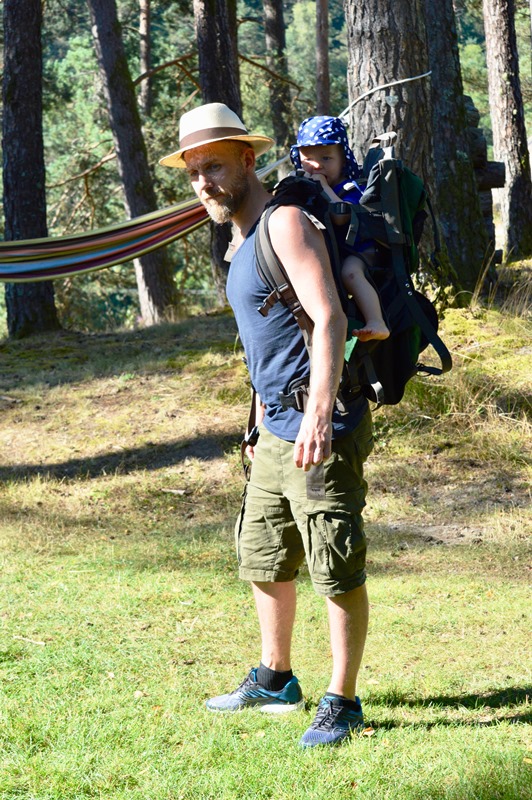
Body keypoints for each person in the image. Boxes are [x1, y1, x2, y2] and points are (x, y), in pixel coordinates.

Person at [160, 102, 373, 748]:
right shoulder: (239, 239)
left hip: (321, 423)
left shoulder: (283, 224)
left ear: (249, 161)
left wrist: (316, 414)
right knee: (262, 554)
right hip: (275, 428)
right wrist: (256, 423)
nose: (205, 183)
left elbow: (330, 318)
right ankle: (277, 678)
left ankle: (344, 700)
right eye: (194, 173)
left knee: (335, 564)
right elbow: (265, 342)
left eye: (215, 167)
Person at [290, 115, 390, 342]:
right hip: (335, 250)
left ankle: (377, 321)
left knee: (349, 273)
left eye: (326, 158)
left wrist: (323, 188)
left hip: (363, 250)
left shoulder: (351, 186)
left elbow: (341, 217)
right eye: (308, 158)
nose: (316, 165)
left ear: (342, 159)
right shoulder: (305, 184)